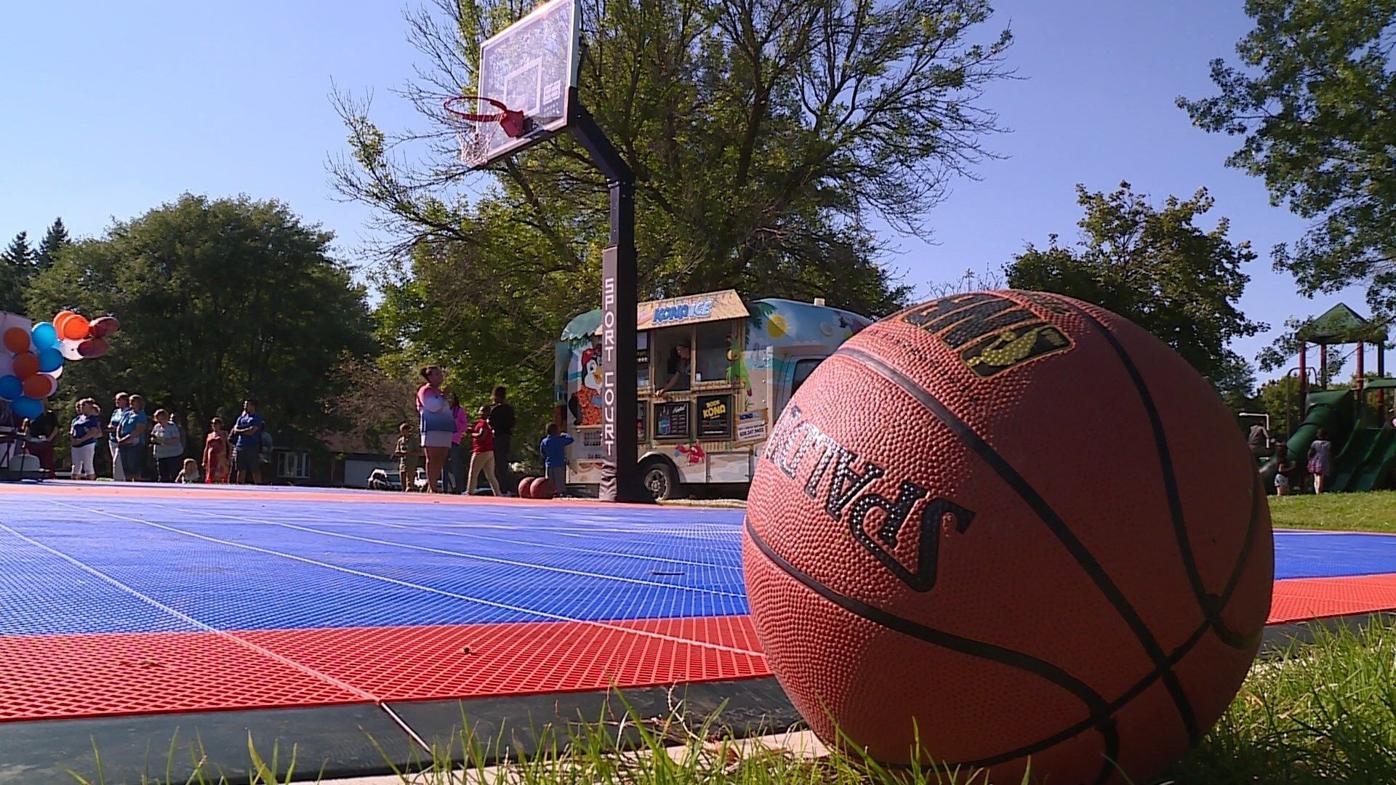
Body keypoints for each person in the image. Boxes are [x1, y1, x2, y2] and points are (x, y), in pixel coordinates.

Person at [416, 366, 454, 494]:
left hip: (444, 428)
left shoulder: (438, 392)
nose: (440, 376)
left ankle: (432, 486)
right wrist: (443, 396)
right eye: (437, 374)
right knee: (432, 458)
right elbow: (433, 407)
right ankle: (432, 486)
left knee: (441, 458)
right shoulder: (425, 390)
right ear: (430, 377)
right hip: (431, 428)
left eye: (440, 373)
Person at [467, 404, 502, 496]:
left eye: (483, 411)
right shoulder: (485, 423)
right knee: (490, 475)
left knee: (473, 472)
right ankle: (498, 493)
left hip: (481, 451)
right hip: (489, 451)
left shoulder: (483, 423)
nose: (480, 413)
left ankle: (470, 491)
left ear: (487, 413)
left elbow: (482, 436)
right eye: (480, 411)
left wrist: (471, 433)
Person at [488, 386, 516, 495]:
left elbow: (491, 423)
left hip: (497, 437)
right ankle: (505, 487)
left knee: (496, 464)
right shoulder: (509, 409)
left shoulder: (495, 409)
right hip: (506, 437)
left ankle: (500, 488)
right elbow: (512, 423)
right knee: (503, 463)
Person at [115, 394, 149, 481]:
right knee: (125, 466)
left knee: (133, 465)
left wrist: (126, 439)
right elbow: (120, 426)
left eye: (134, 402)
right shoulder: (127, 414)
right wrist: (119, 437)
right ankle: (128, 482)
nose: (131, 404)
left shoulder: (141, 415)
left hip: (134, 442)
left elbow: (139, 430)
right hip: (123, 441)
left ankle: (137, 482)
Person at [230, 399, 264, 485]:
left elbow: (252, 431)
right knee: (240, 469)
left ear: (253, 406)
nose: (245, 407)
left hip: (252, 446)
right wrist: (245, 430)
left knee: (255, 469)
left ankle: (259, 487)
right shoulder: (241, 418)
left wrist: (240, 431)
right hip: (240, 446)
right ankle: (240, 486)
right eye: (244, 405)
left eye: (247, 405)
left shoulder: (256, 417)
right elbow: (235, 429)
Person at [69, 399, 103, 480]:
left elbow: (94, 431)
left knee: (88, 465)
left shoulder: (92, 419)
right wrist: (73, 440)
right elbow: (72, 430)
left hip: (87, 444)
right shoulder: (78, 418)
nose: (82, 407)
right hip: (76, 445)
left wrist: (81, 440)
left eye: (84, 405)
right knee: (75, 466)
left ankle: (90, 481)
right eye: (81, 405)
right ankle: (74, 482)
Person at [150, 409, 185, 483]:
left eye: (161, 418)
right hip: (160, 454)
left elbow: (176, 440)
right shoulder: (156, 427)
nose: (160, 421)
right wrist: (154, 440)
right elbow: (152, 436)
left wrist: (163, 440)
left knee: (174, 474)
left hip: (173, 454)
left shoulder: (172, 426)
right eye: (158, 419)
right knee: (162, 475)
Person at [540, 424, 574, 497]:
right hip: (559, 463)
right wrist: (563, 434)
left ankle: (550, 493)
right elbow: (571, 439)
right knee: (560, 481)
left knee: (550, 482)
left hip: (549, 463)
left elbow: (542, 452)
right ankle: (561, 493)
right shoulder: (560, 440)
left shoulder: (544, 441)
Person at [24, 405, 58, 477]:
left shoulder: (50, 415)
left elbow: (56, 428)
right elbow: (27, 428)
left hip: (45, 441)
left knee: (47, 462)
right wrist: (27, 439)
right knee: (32, 461)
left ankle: (49, 476)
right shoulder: (31, 415)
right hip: (32, 441)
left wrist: (49, 439)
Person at [449, 394, 471, 494]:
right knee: (444, 466)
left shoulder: (459, 411)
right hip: (444, 440)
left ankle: (459, 487)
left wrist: (457, 430)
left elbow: (464, 425)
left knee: (456, 464)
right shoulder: (444, 410)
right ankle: (446, 487)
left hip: (455, 440)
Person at [107, 392, 130, 481]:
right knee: (115, 461)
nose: (117, 401)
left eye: (119, 400)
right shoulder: (116, 411)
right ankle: (119, 478)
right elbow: (111, 423)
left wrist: (116, 429)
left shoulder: (128, 412)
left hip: (122, 440)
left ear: (125, 401)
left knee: (117, 461)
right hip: (112, 440)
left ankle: (119, 480)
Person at [203, 417, 231, 484]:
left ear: (220, 425)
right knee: (211, 474)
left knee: (222, 474)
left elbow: (229, 446)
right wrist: (204, 460)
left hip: (221, 457)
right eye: (213, 423)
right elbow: (206, 448)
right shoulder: (209, 435)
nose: (214, 425)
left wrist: (229, 458)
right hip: (211, 456)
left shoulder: (224, 434)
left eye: (216, 423)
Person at [393, 422, 418, 493]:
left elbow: (419, 452)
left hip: (411, 464)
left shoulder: (414, 440)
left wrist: (410, 453)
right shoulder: (400, 441)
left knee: (409, 485)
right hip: (403, 464)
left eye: (405, 431)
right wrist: (400, 453)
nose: (404, 433)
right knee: (403, 483)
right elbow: (397, 451)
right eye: (402, 431)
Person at [1308, 428, 1333, 494]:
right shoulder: (1328, 444)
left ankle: (1317, 490)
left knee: (1315, 476)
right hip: (1323, 461)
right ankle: (1319, 490)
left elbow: (1311, 452)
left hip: (1315, 460)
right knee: (1320, 477)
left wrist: (1310, 459)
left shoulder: (1314, 443)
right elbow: (1329, 453)